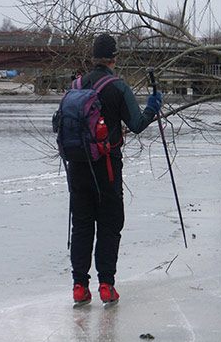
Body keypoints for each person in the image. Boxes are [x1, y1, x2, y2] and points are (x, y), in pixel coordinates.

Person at [66, 33, 162, 306]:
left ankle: (79, 287)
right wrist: (153, 108)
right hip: (106, 167)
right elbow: (137, 123)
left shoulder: (75, 86)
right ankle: (106, 285)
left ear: (93, 57)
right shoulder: (118, 87)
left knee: (82, 226)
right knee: (109, 224)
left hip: (77, 168)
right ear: (114, 58)